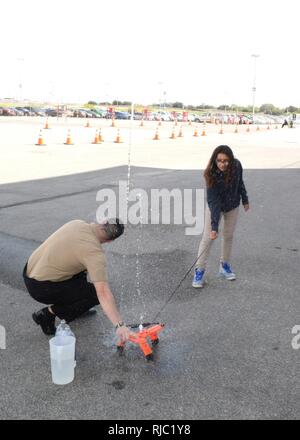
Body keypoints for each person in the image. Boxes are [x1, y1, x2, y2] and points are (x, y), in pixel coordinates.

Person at [23, 218, 133, 342]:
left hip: (29, 271)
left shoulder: (77, 223)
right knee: (94, 295)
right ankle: (47, 314)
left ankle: (78, 306)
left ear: (103, 221)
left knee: (82, 268)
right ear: (110, 241)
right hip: (41, 288)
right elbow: (103, 293)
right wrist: (119, 325)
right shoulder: (94, 253)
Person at [192, 145, 249, 288]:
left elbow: (240, 183)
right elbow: (214, 202)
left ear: (231, 160)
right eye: (219, 160)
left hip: (232, 205)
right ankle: (199, 270)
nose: (222, 164)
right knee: (208, 238)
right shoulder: (211, 173)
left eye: (226, 161)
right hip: (215, 207)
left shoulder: (237, 165)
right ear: (215, 160)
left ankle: (224, 266)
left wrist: (245, 199)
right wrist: (214, 226)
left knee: (228, 236)